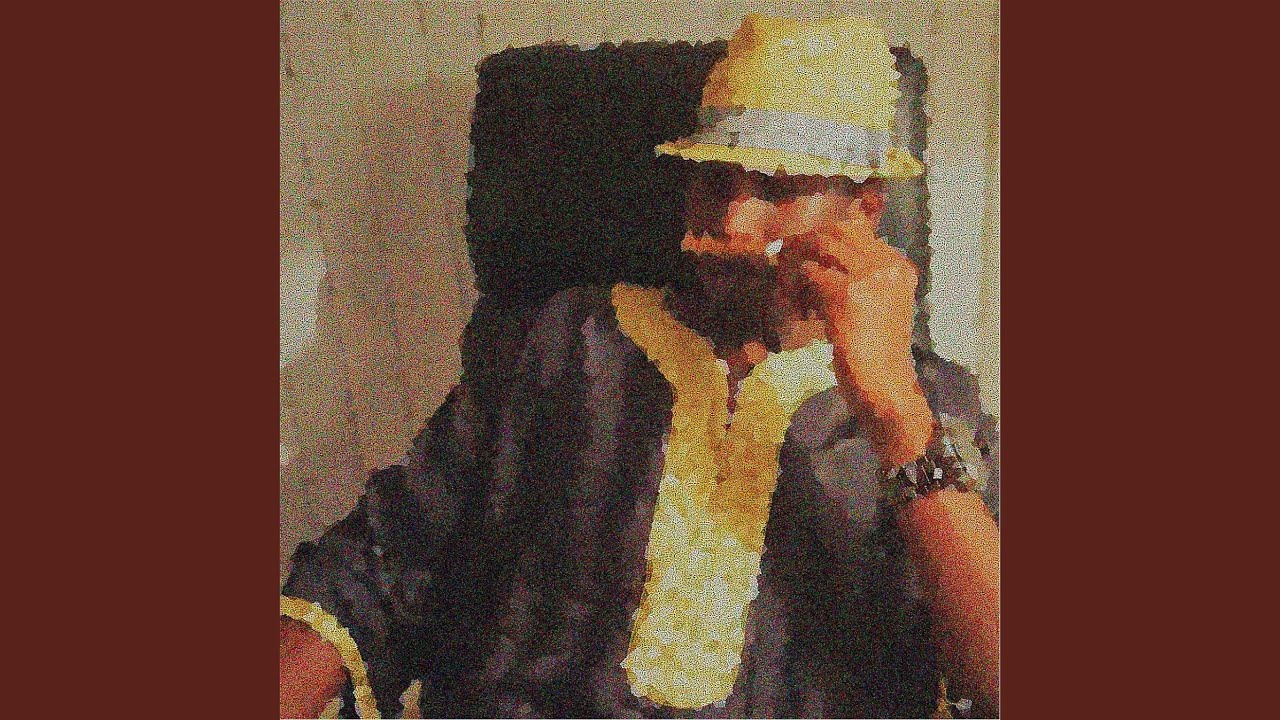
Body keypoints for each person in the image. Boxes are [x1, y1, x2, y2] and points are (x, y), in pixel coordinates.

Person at [280, 14, 1000, 719]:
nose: (731, 221)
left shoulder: (933, 403)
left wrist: (893, 412)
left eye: (777, 189)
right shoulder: (568, 339)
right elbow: (376, 563)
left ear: (866, 210)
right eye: (713, 181)